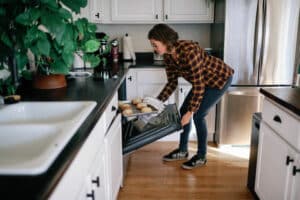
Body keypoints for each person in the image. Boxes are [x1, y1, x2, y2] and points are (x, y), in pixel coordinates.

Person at [148, 24, 234, 170]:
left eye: (155, 45)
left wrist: (190, 112)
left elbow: (199, 85)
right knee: (183, 111)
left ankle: (201, 157)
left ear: (165, 41)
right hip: (202, 82)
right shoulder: (168, 57)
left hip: (219, 79)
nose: (154, 49)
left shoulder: (189, 51)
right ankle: (183, 150)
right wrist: (156, 102)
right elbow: (172, 82)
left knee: (198, 115)